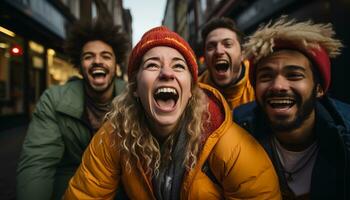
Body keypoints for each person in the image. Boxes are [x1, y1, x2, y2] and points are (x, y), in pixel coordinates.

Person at [63, 26, 281, 199]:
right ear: (136, 89)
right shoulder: (114, 135)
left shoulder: (226, 142)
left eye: (178, 66)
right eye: (152, 65)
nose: (166, 72)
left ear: (190, 91)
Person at [233, 16, 350, 199]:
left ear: (318, 88)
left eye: (294, 75)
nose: (278, 86)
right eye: (266, 76)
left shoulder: (345, 137)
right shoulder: (236, 132)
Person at [16, 17, 130, 200]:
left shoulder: (134, 99)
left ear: (116, 66)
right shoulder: (53, 100)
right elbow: (38, 162)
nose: (97, 61)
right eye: (88, 56)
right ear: (80, 68)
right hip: (70, 187)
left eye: (106, 56)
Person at [199, 17, 255, 110]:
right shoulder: (195, 91)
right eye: (211, 47)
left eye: (228, 44)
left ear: (242, 53)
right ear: (204, 57)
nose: (219, 51)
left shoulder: (257, 82)